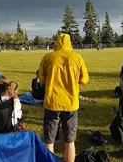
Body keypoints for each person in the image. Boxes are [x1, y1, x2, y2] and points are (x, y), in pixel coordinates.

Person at [38, 33, 89, 162]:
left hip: (52, 102)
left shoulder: (48, 57)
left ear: (56, 43)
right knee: (70, 141)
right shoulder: (77, 57)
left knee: (49, 140)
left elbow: (41, 79)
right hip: (70, 103)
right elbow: (84, 79)